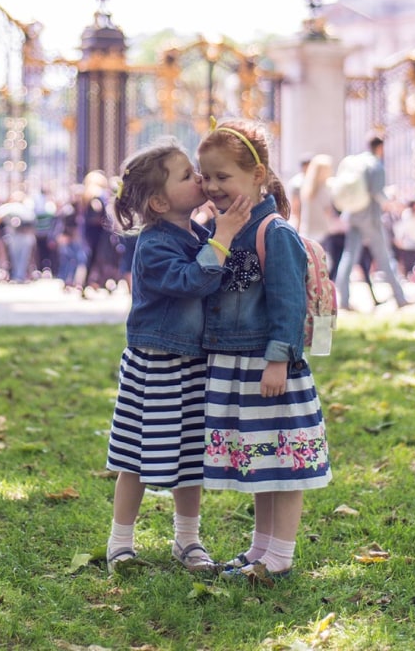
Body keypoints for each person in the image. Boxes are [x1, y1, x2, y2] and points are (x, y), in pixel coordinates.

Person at [105, 137, 252, 574]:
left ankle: (187, 540)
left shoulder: (202, 234)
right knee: (135, 456)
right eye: (188, 175)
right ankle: (120, 543)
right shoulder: (154, 245)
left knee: (191, 457)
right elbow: (194, 281)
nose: (201, 180)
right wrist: (223, 236)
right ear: (158, 199)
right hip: (155, 367)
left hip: (193, 366)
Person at [197, 119, 332, 582]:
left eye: (222, 177)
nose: (211, 186)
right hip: (238, 362)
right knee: (263, 457)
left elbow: (289, 303)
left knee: (285, 462)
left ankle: (281, 554)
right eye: (206, 176)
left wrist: (278, 359)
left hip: (269, 366)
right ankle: (261, 548)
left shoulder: (274, 232)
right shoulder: (229, 226)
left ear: (256, 177)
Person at [334, 135, 411, 311]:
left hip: (352, 215)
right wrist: (391, 204)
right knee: (384, 257)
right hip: (371, 218)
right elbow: (377, 193)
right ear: (380, 148)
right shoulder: (376, 165)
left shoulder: (356, 163)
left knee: (349, 257)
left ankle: (343, 300)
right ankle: (400, 298)